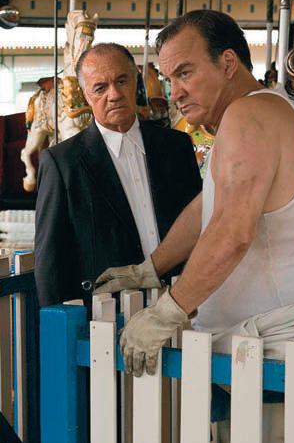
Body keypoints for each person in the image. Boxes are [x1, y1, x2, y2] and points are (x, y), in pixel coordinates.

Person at [95, 12, 294, 443]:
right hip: (266, 361)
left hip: (291, 362)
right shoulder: (256, 114)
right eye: (169, 79)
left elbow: (230, 232)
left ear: (227, 63)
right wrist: (151, 268)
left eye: (185, 73)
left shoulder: (250, 114)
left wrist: (168, 312)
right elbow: (208, 208)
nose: (175, 92)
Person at [34, 43, 202, 308]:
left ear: (136, 81)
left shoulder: (176, 146)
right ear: (86, 95)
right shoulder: (63, 162)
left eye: (121, 81)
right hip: (105, 312)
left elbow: (201, 225)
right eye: (100, 88)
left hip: (181, 303)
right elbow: (50, 259)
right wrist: (59, 322)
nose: (114, 94)